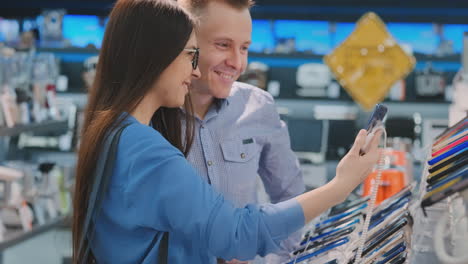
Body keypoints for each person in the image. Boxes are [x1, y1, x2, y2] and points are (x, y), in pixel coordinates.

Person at [72, 0, 382, 263]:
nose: (195, 70)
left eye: (245, 48)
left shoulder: (112, 131)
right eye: (193, 53)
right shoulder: (146, 148)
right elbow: (237, 233)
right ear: (156, 56)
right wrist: (341, 186)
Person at [176, 0, 303, 262]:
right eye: (223, 45)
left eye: (244, 48)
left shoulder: (259, 106)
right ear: (187, 44)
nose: (237, 63)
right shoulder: (150, 114)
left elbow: (291, 199)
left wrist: (274, 259)